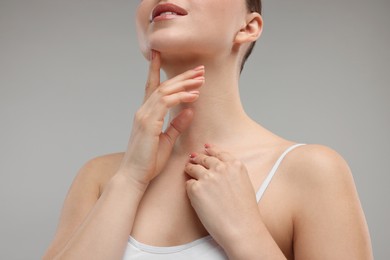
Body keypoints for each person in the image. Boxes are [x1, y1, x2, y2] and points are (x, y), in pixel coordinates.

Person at [43, 0, 373, 259]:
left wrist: (247, 235)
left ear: (249, 26)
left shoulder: (311, 173)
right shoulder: (101, 178)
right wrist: (129, 180)